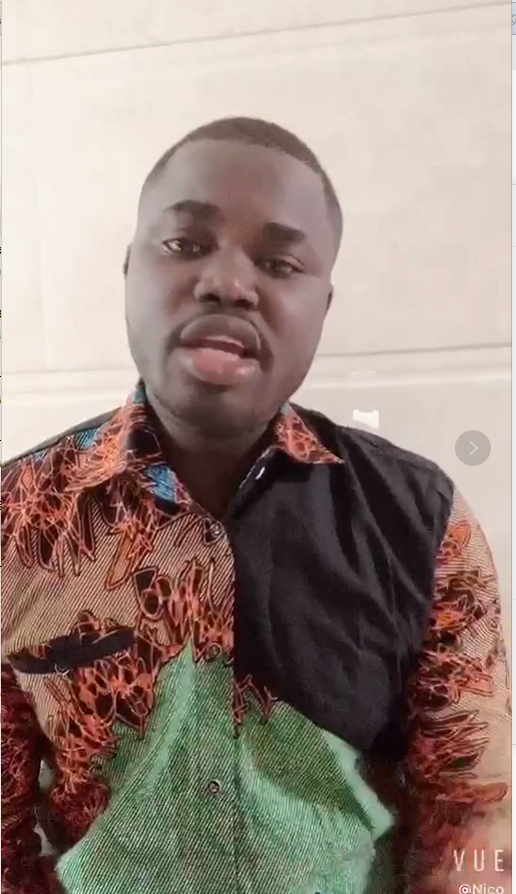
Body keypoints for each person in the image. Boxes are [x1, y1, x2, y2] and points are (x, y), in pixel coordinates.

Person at [2, 117, 510, 894]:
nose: (228, 284)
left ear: (322, 307)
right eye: (186, 244)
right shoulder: (17, 519)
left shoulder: (421, 520)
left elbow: (473, 812)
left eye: (278, 263)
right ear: (130, 269)